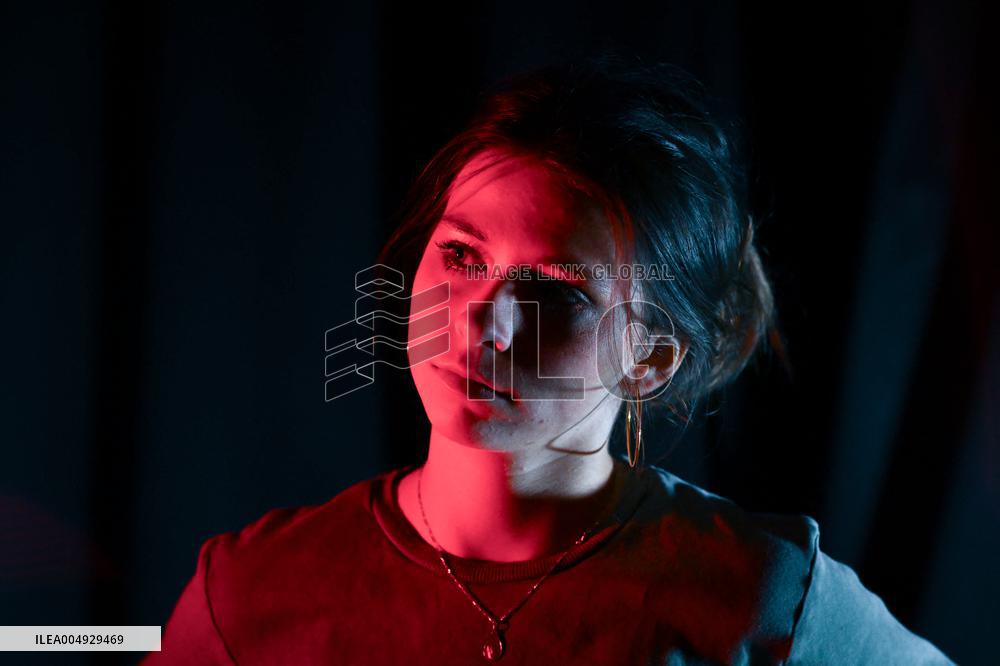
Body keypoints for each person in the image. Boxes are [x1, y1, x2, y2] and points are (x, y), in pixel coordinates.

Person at [143, 57, 954, 665]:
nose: (483, 321)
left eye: (558, 292)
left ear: (651, 358)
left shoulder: (766, 596)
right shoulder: (252, 591)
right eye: (462, 255)